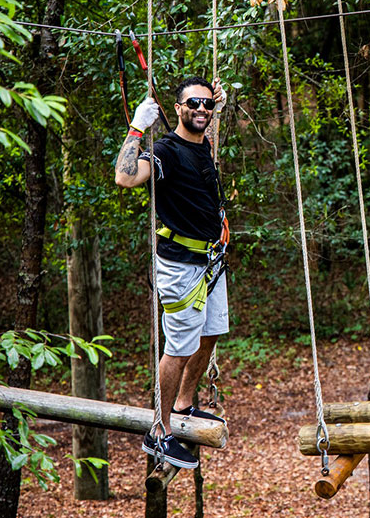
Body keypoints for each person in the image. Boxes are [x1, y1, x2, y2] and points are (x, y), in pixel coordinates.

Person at [115, 76, 229, 468]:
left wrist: (217, 102)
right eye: (193, 103)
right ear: (176, 108)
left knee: (211, 333)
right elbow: (125, 177)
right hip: (181, 266)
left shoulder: (203, 145)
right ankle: (159, 431)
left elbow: (207, 119)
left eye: (207, 105)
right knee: (178, 349)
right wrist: (137, 129)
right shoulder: (165, 151)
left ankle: (184, 404)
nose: (201, 109)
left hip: (211, 261)